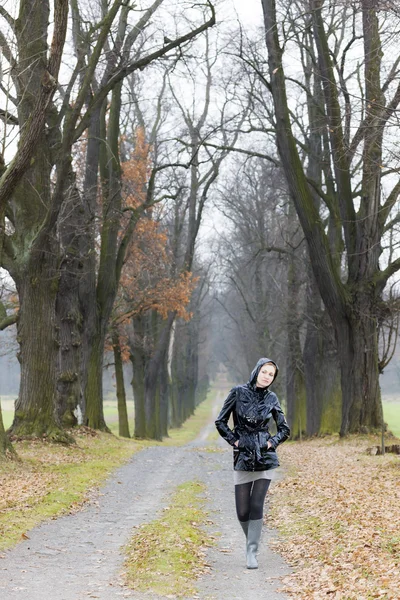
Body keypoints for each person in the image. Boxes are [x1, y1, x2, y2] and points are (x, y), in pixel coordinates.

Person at [215, 358, 290, 569]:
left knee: (257, 505)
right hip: (243, 457)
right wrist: (234, 440)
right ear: (257, 371)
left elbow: (285, 429)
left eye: (271, 374)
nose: (267, 376)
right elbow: (220, 421)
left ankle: (252, 551)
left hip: (265, 458)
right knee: (242, 511)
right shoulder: (237, 392)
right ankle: (252, 541)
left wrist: (271, 443)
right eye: (264, 372)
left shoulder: (272, 398)